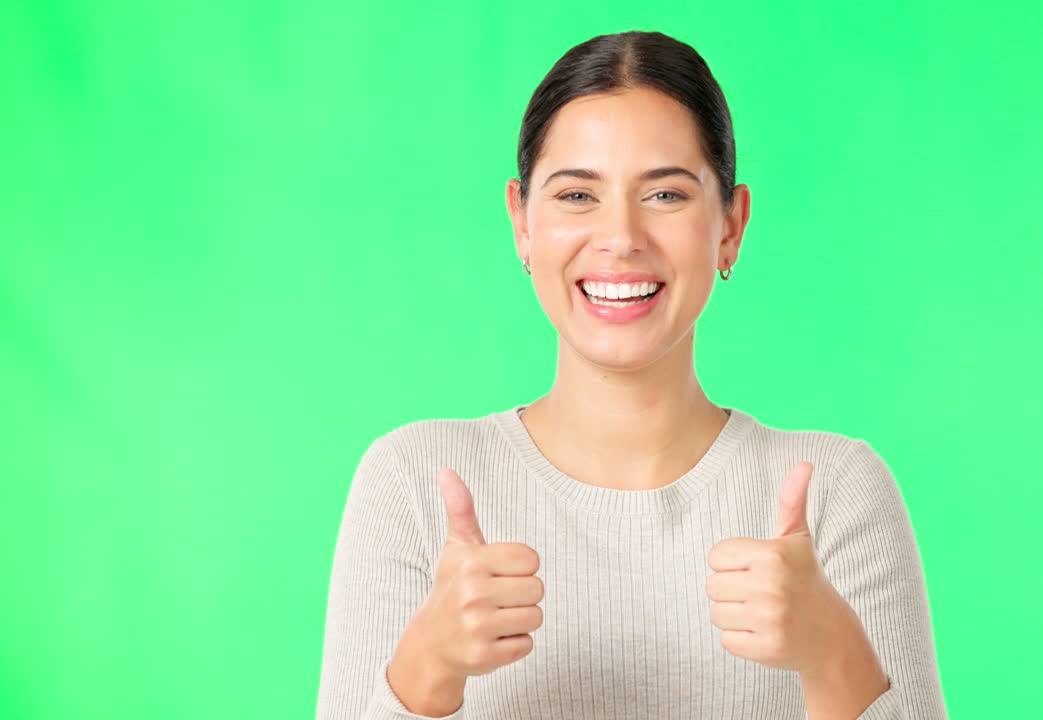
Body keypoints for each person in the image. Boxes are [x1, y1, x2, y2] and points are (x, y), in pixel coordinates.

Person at [316, 30, 946, 720]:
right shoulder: (413, 482)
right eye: (577, 195)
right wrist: (425, 670)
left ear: (731, 226)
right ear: (521, 221)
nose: (620, 238)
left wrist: (836, 658)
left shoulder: (838, 491)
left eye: (666, 194)